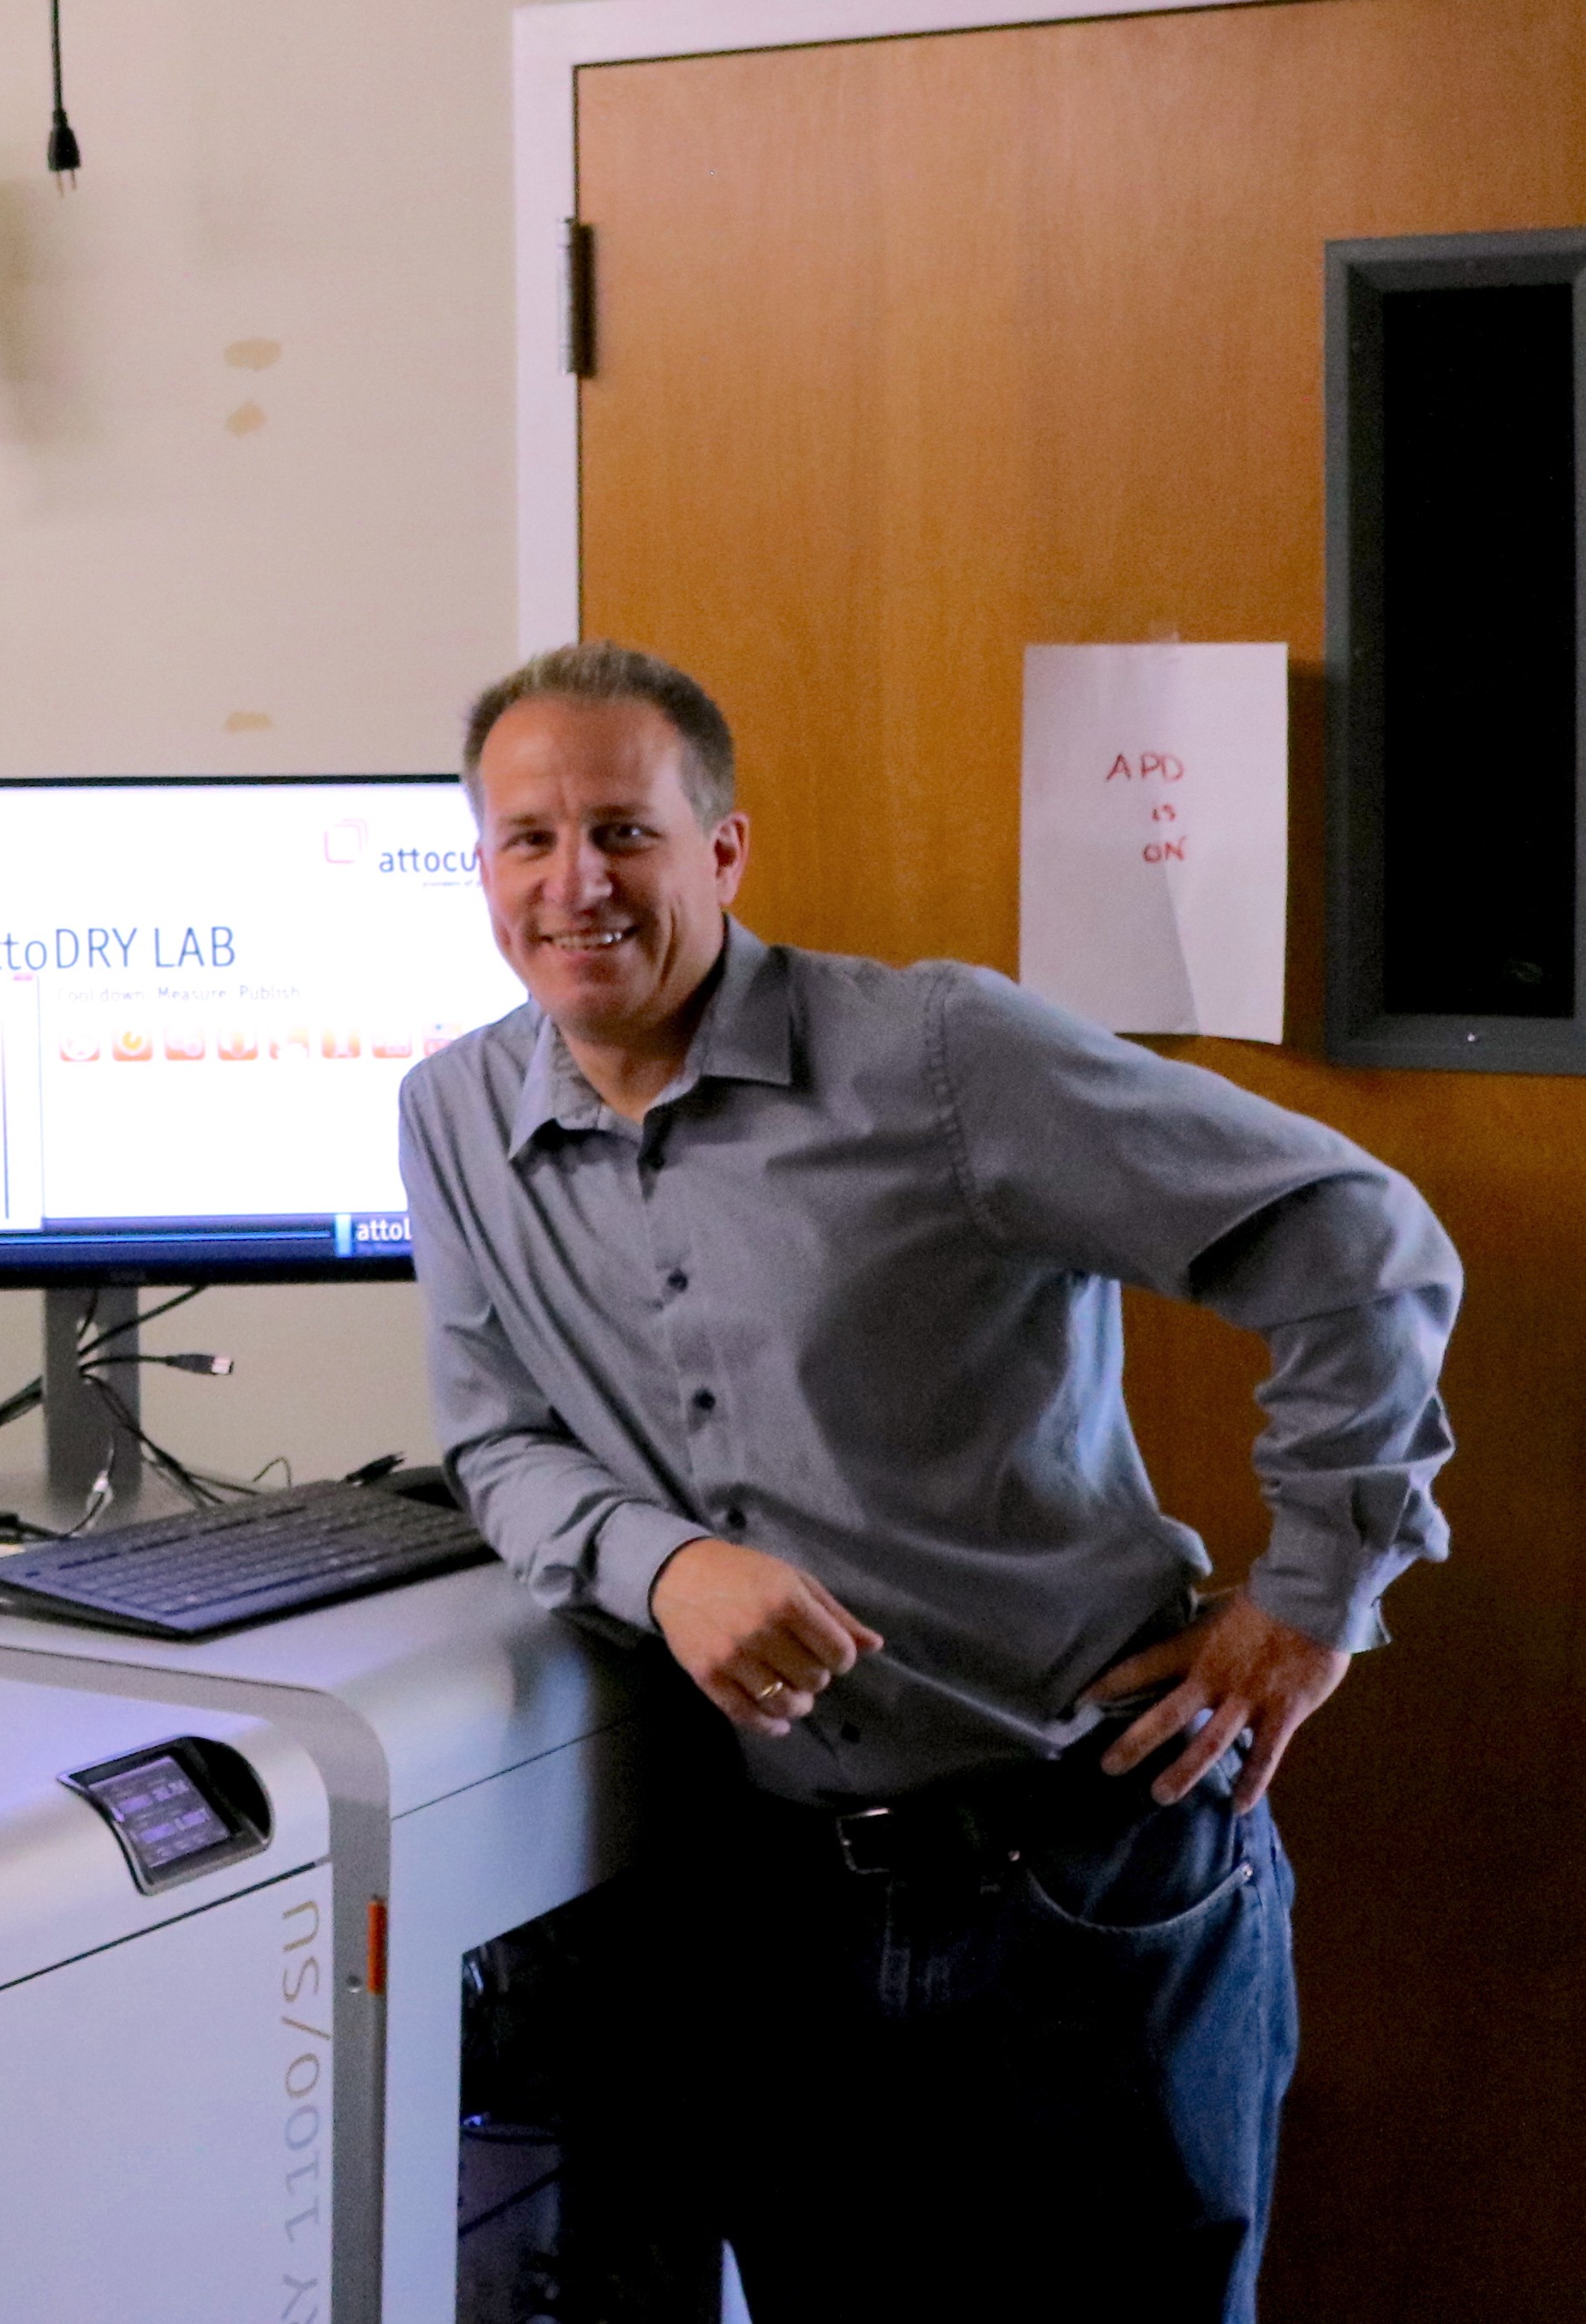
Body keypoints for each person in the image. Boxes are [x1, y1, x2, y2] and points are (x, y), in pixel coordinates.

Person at [397, 641, 1458, 2321]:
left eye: (621, 831)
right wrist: (660, 1563)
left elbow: (1354, 1241)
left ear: (721, 850)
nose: (571, 881)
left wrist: (1312, 1599)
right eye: (525, 838)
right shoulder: (451, 1115)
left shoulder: (935, 1056)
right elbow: (494, 1436)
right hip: (777, 1907)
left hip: (1084, 1869)